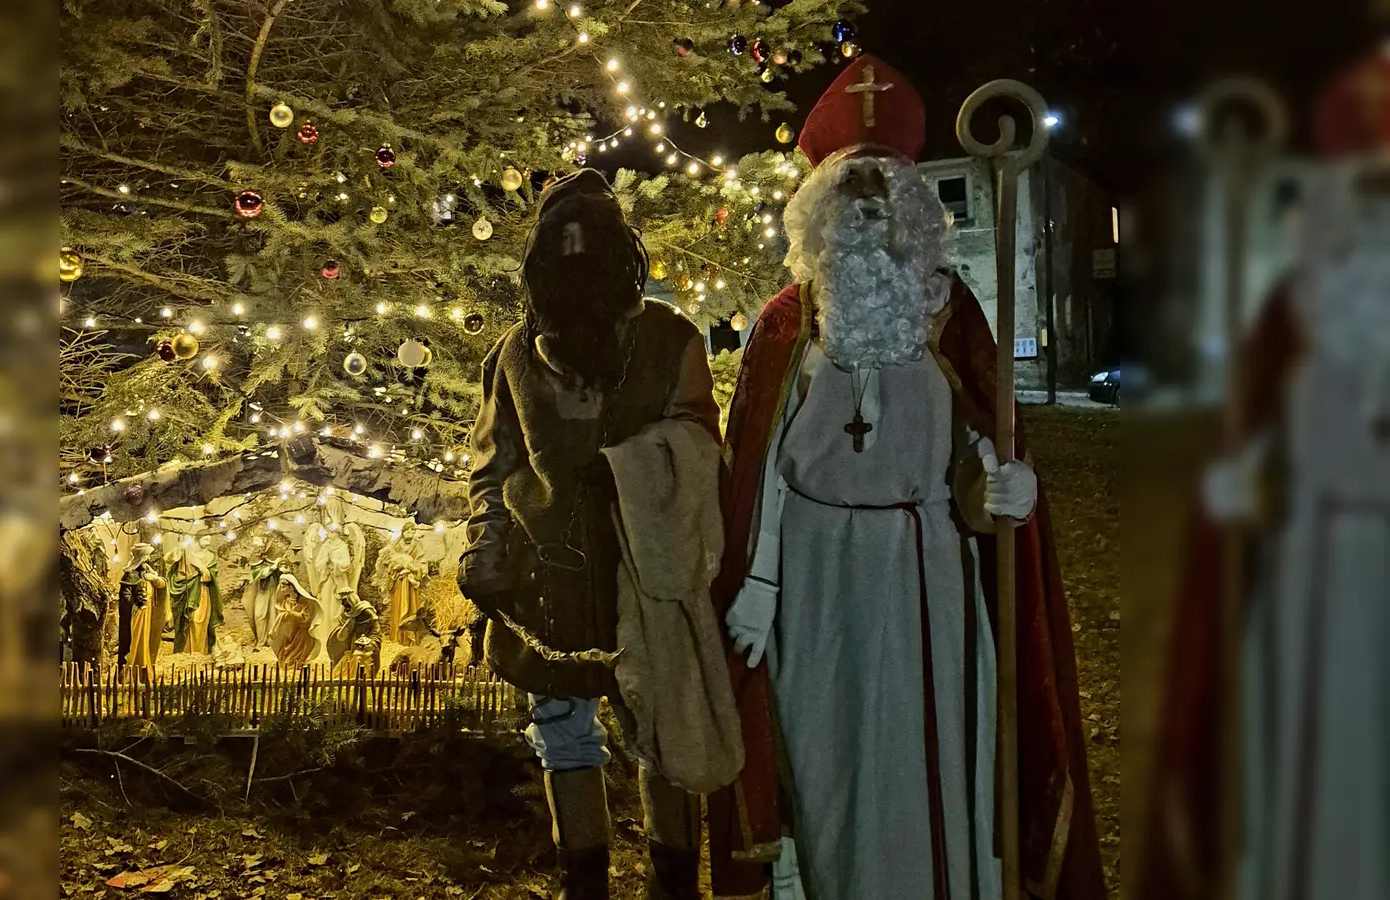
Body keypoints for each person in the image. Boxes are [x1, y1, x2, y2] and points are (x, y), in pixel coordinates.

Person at [706, 55, 1106, 900]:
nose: (868, 205)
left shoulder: (953, 313)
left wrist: (1006, 490)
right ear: (818, 206)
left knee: (926, 754)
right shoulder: (785, 325)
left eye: (885, 185)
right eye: (851, 188)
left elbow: (985, 452)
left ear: (915, 202)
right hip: (812, 589)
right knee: (825, 762)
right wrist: (761, 581)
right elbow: (761, 473)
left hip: (928, 579)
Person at [1140, 51, 1390, 900]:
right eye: (1368, 187)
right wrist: (1239, 484)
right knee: (1309, 771)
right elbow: (1242, 458)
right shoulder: (1296, 306)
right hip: (1310, 580)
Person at [459, 168, 721, 900]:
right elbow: (493, 463)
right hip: (551, 582)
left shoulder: (669, 340)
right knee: (563, 729)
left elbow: (701, 442)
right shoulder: (513, 354)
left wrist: (632, 467)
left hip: (647, 574)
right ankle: (587, 888)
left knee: (661, 734)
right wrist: (483, 550)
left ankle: (674, 887)